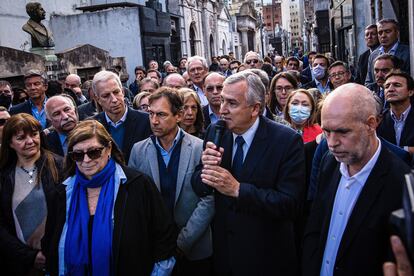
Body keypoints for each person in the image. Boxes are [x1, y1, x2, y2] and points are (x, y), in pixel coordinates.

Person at [191, 71, 305, 275]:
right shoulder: (216, 131)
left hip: (267, 258)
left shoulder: (286, 141)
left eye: (232, 103)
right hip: (226, 256)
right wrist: (206, 170)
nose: (222, 109)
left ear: (255, 109)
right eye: (223, 100)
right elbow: (199, 187)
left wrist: (238, 190)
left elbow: (290, 204)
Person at [302, 83, 411, 276]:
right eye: (326, 131)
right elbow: (316, 226)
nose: (332, 143)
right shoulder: (329, 162)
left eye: (343, 132)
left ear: (371, 124)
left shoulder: (401, 184)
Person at [44, 120, 176, 276]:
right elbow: (51, 244)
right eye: (78, 155)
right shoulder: (63, 193)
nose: (86, 160)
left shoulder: (138, 186)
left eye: (93, 152)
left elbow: (164, 239)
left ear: (108, 149)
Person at [129, 88, 213, 275]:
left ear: (179, 116)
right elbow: (134, 200)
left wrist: (184, 241)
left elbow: (209, 199)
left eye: (161, 114)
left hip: (195, 249)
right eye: (150, 114)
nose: (154, 121)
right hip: (154, 248)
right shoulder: (138, 151)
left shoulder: (199, 148)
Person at [0, 113, 62, 275]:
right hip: (19, 263)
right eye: (21, 138)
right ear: (10, 143)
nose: (30, 141)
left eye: (34, 134)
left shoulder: (61, 166)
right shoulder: (3, 176)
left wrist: (51, 251)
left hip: (59, 257)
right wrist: (29, 256)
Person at [92, 70, 152, 162]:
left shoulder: (146, 121)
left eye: (116, 92)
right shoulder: (92, 126)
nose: (114, 99)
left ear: (123, 92)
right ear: (98, 99)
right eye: (106, 96)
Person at [377, 70, 414, 153]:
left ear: (410, 92)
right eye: (387, 86)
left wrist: (401, 150)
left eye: (397, 85)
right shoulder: (379, 119)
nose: (390, 89)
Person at [366, 19, 410, 86]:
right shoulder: (373, 55)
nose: (383, 36)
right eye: (380, 33)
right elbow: (369, 83)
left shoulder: (409, 53)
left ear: (397, 33)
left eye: (387, 31)